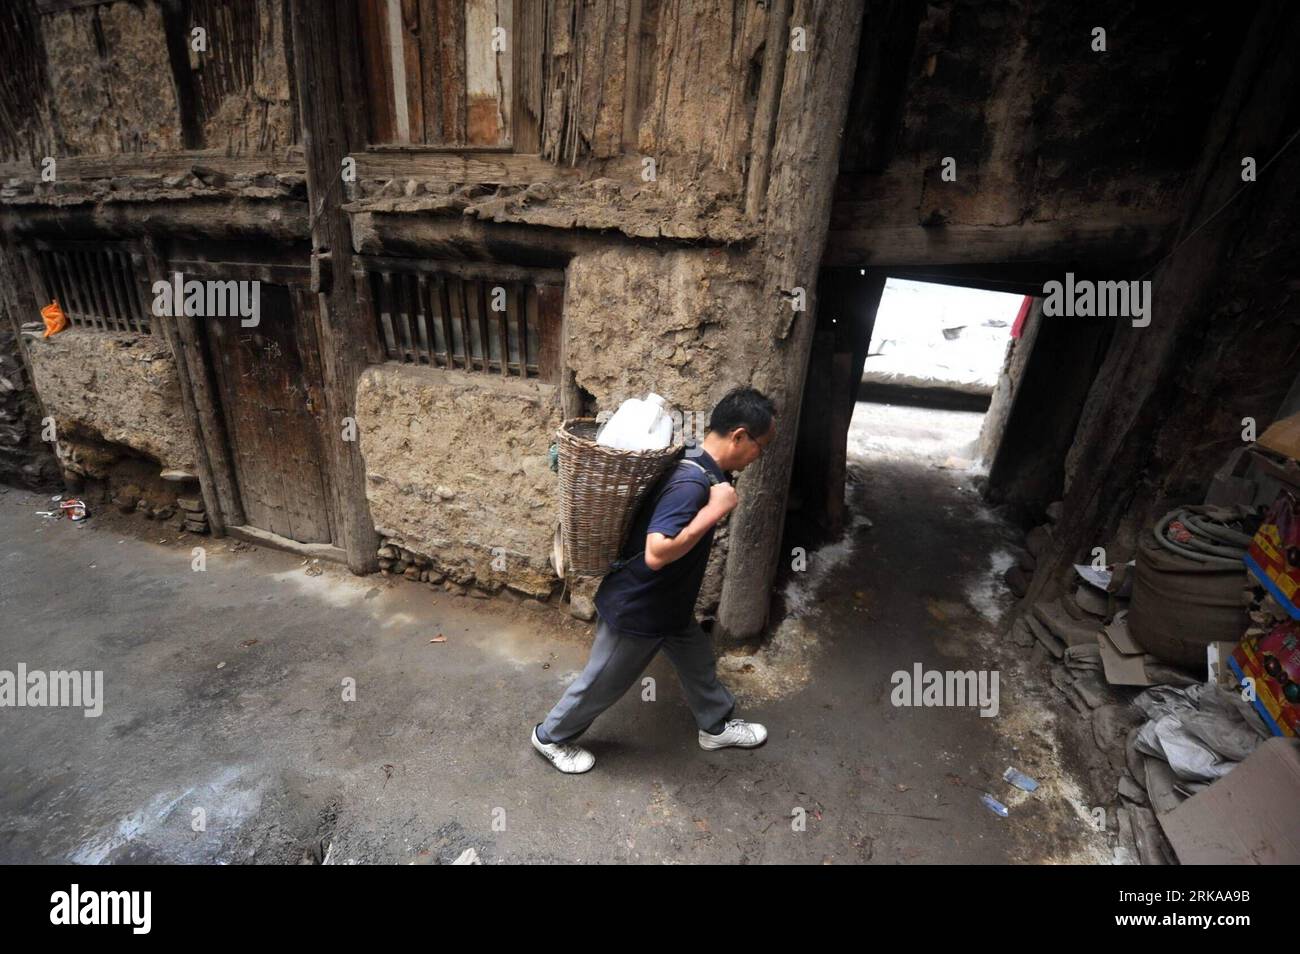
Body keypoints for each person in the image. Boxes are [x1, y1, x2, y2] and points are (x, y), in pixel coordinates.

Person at [532, 387, 777, 773]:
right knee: (603, 682)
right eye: (761, 447)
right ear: (739, 436)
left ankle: (716, 725)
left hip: (669, 604)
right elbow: (657, 552)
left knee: (697, 662)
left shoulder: (697, 456)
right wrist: (713, 512)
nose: (758, 456)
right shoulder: (692, 483)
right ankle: (551, 736)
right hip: (640, 606)